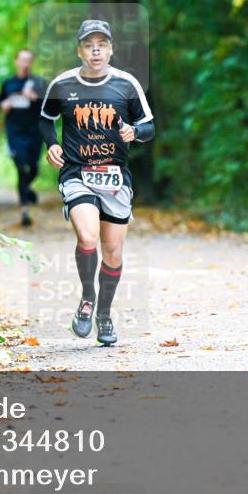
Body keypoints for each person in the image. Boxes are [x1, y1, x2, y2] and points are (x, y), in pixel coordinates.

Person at [39, 20, 154, 346]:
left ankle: (103, 314)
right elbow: (45, 120)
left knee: (113, 251)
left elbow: (148, 126)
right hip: (77, 173)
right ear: (80, 50)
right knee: (87, 236)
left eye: (101, 45)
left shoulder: (126, 84)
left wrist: (135, 132)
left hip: (116, 176)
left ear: (111, 49)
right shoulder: (62, 84)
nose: (95, 51)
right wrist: (53, 145)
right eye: (89, 45)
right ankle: (87, 298)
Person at [0, 49, 46, 226]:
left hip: (34, 130)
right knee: (20, 165)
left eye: (28, 60)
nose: (25, 63)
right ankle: (25, 209)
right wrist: (3, 104)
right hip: (15, 131)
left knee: (33, 168)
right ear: (16, 61)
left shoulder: (39, 83)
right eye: (22, 60)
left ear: (31, 62)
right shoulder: (8, 84)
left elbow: (50, 106)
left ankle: (27, 191)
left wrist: (34, 97)